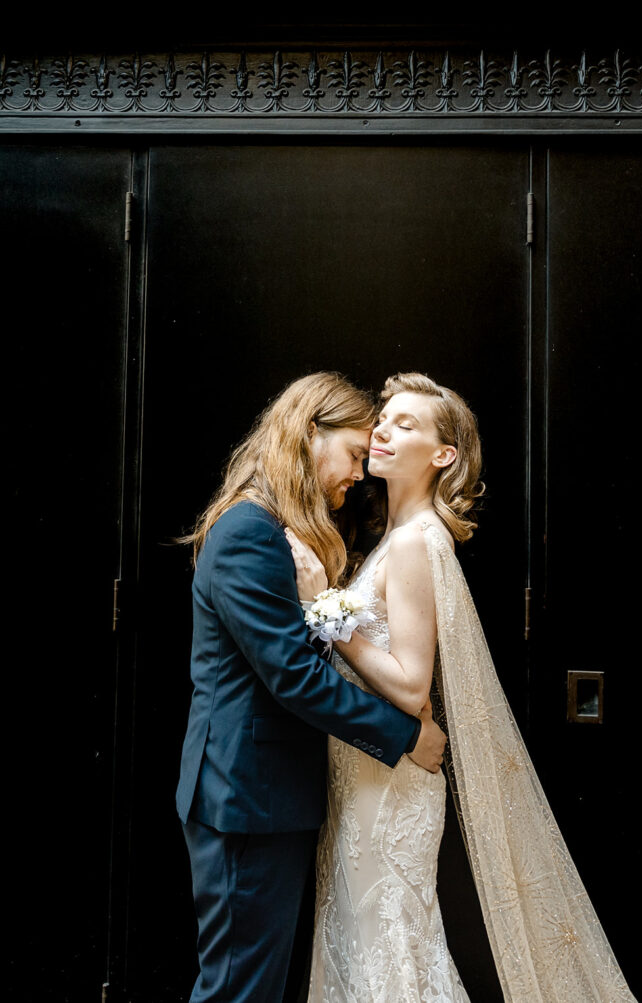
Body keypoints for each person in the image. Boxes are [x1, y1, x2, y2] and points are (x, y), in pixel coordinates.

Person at [286, 372, 637, 1003]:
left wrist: (325, 613)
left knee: (389, 958)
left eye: (407, 424)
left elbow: (413, 688)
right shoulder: (393, 539)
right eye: (384, 418)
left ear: (443, 454)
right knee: (366, 952)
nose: (383, 431)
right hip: (363, 782)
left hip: (388, 793)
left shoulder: (419, 543)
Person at [176, 372, 447, 1003]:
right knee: (239, 990)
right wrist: (406, 734)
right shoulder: (250, 532)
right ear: (308, 435)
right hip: (245, 797)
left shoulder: (280, 531)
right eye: (355, 453)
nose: (360, 473)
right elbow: (294, 676)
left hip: (269, 797)